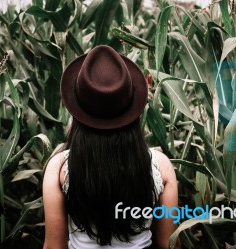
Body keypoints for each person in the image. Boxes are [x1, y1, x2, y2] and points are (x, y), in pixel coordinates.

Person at [43, 45, 180, 249]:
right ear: (132, 109)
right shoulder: (161, 167)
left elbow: (54, 246)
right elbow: (168, 244)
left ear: (79, 111)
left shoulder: (59, 169)